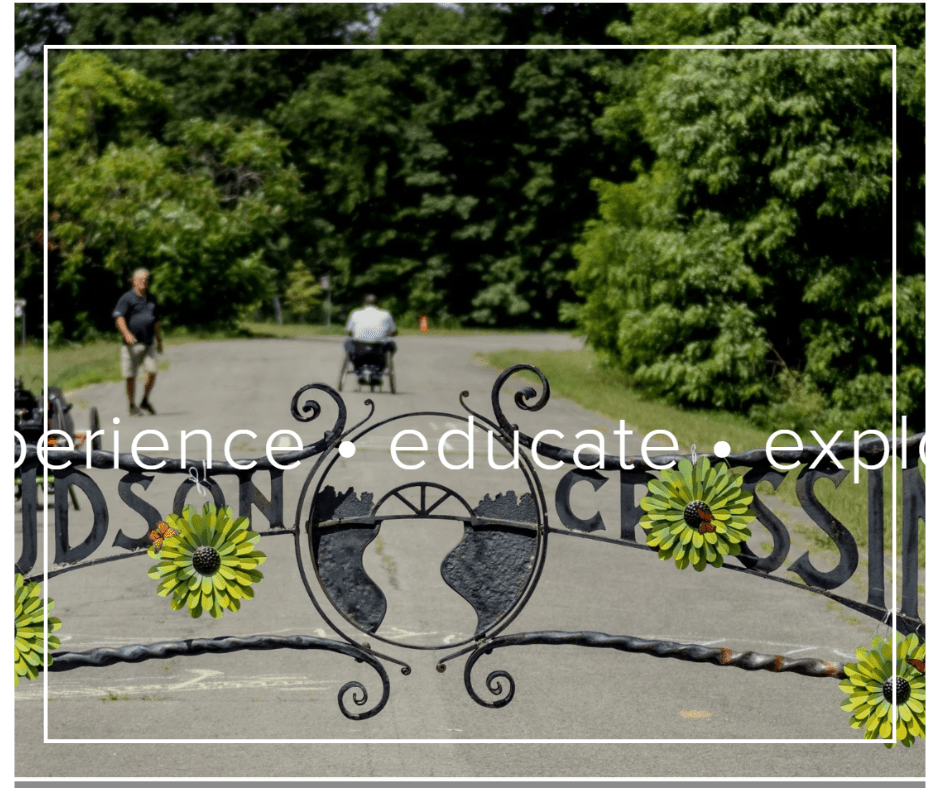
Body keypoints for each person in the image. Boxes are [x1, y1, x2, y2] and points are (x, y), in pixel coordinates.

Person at [113, 268, 163, 416]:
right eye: (140, 280)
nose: (143, 282)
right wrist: (126, 334)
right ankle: (132, 405)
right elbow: (119, 318)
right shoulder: (127, 298)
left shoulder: (151, 299)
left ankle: (145, 400)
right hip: (131, 345)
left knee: (152, 372)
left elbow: (156, 321)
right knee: (130, 376)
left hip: (148, 343)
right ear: (134, 282)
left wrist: (159, 340)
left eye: (146, 280)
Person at [344, 294, 397, 385]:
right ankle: (378, 373)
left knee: (347, 342)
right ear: (377, 304)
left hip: (359, 350)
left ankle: (359, 370)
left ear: (363, 304)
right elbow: (394, 332)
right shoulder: (386, 314)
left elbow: (349, 331)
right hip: (378, 350)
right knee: (391, 345)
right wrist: (387, 334)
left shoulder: (355, 313)